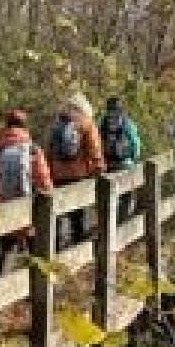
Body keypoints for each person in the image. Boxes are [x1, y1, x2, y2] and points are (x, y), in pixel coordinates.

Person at [0, 109, 54, 271]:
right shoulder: (32, 150)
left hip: (4, 209)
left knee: (6, 253)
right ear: (25, 126)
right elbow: (44, 181)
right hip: (28, 209)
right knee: (37, 255)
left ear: (6, 125)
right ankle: (39, 289)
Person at [46, 93, 105, 248]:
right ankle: (78, 247)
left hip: (57, 175)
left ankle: (55, 246)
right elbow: (94, 149)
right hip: (78, 174)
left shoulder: (57, 124)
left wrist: (50, 171)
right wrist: (99, 168)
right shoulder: (86, 123)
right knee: (77, 214)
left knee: (57, 211)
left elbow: (49, 150)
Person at [98, 95, 143, 222]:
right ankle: (121, 224)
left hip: (107, 165)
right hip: (124, 164)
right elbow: (135, 144)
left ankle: (108, 224)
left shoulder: (102, 122)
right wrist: (133, 160)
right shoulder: (126, 123)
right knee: (126, 196)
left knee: (109, 196)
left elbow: (97, 143)